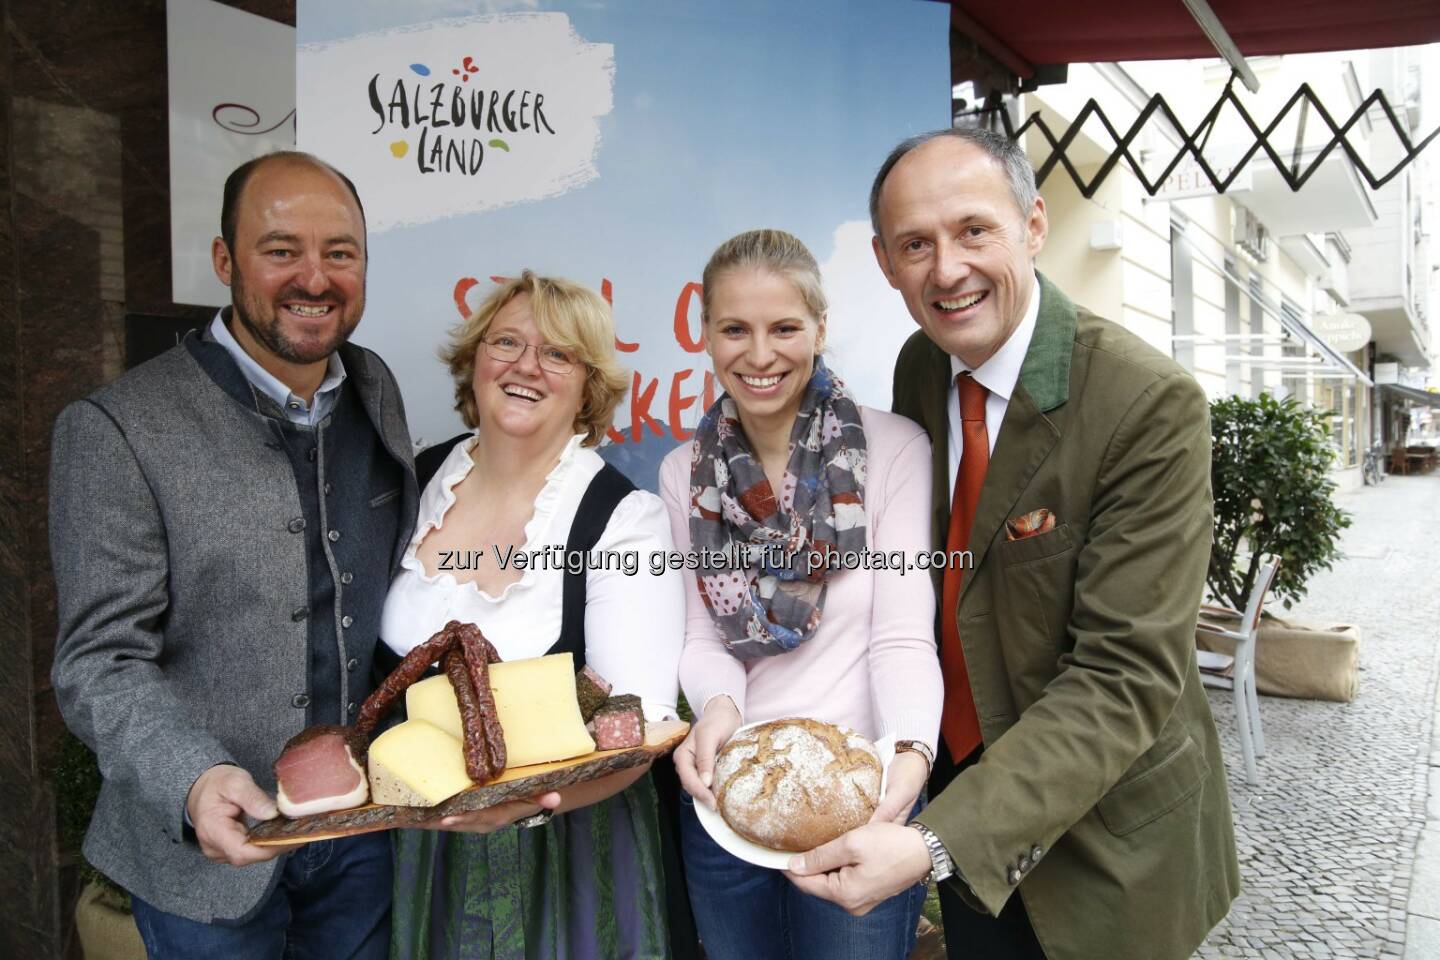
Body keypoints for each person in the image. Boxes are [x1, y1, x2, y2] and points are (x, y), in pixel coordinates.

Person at [786, 127, 1241, 960]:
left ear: (1033, 225)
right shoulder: (921, 366)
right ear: (886, 264)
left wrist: (933, 840)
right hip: (963, 794)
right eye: (915, 245)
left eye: (973, 230)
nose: (947, 269)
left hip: (1109, 850)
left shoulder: (1149, 404)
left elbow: (1125, 676)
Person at [49, 151, 417, 957]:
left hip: (361, 834)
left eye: (340, 253)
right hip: (205, 856)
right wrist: (192, 780)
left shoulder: (374, 387)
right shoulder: (114, 429)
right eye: (281, 249)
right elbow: (99, 660)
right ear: (224, 260)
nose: (314, 278)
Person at [382, 271, 686, 960]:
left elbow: (643, 725)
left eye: (558, 354)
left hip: (567, 853)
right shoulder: (415, 481)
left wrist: (523, 806)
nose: (526, 366)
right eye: (507, 342)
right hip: (416, 851)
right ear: (474, 361)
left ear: (589, 386)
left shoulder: (622, 520)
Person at [659, 229, 944, 960]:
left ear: (821, 327)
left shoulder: (894, 451)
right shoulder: (684, 471)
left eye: (785, 327)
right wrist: (718, 711)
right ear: (705, 332)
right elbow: (701, 637)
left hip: (860, 798)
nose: (760, 355)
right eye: (735, 329)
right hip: (730, 800)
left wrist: (909, 758)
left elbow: (902, 638)